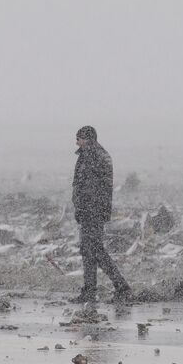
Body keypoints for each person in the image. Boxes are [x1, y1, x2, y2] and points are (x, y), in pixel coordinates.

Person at [71, 126, 131, 304]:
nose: (76, 142)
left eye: (79, 138)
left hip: (92, 211)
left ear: (88, 139)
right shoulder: (92, 154)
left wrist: (84, 208)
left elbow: (90, 188)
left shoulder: (93, 156)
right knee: (89, 251)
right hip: (92, 211)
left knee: (95, 250)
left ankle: (121, 287)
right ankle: (90, 290)